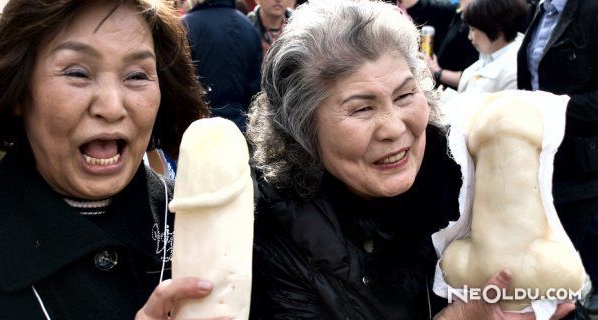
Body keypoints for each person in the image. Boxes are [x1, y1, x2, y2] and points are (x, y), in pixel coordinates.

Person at [247, 0, 576, 318]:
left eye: (405, 95)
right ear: (301, 128)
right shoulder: (273, 235)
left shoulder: (472, 177)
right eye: (362, 108)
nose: (393, 127)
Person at [0, 0, 218, 318]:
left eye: (137, 75)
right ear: (17, 89)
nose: (112, 107)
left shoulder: (194, 220)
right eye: (78, 73)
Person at [517, 0, 598, 314]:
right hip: (547, 160)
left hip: (585, 169)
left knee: (576, 267)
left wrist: (554, 108)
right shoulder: (542, 9)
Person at [182, 0, 262, 132]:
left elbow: (177, 87)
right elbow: (254, 90)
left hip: (195, 129)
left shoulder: (186, 26)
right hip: (238, 128)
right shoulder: (248, 27)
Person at [399, 0, 478, 90]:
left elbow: (475, 78)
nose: (470, 36)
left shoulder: (482, 17)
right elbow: (420, 7)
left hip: (456, 95)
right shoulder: (456, 10)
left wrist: (437, 71)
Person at [455, 0, 526, 93]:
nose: (470, 37)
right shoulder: (490, 54)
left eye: (473, 29)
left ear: (496, 28)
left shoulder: (512, 74)